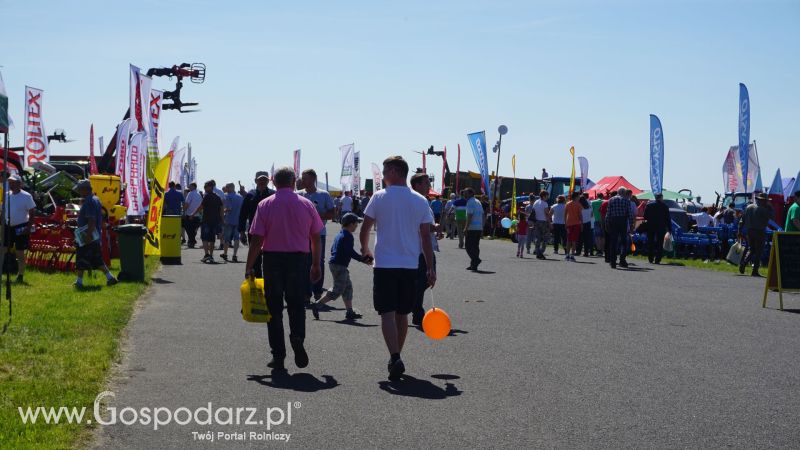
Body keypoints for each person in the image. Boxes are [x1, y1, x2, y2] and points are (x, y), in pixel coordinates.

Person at [359, 156, 435, 381]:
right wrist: (430, 268)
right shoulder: (420, 200)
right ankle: (397, 356)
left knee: (387, 313)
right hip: (410, 264)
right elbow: (426, 237)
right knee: (403, 313)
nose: (382, 176)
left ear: (393, 171)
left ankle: (394, 355)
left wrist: (365, 250)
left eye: (384, 171)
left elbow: (365, 229)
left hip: (385, 264)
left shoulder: (379, 197)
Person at [245, 167, 322, 370]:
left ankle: (278, 355)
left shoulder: (265, 204)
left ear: (273, 181)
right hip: (299, 259)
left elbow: (256, 239)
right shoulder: (307, 204)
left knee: (274, 308)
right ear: (294, 181)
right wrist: (316, 263)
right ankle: (297, 337)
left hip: (272, 259)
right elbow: (315, 237)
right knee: (297, 305)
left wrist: (249, 266)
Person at [311, 213, 370, 321]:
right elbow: (350, 252)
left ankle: (349, 311)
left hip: (336, 264)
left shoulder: (340, 234)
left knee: (347, 288)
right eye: (356, 223)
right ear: (351, 224)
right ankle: (317, 305)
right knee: (337, 290)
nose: (357, 225)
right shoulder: (347, 236)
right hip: (339, 266)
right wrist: (363, 259)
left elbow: (337, 249)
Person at [409, 172, 442, 326]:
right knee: (423, 280)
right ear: (417, 185)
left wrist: (435, 230)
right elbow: (420, 225)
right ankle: (414, 310)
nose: (429, 186)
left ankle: (414, 310)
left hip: (424, 246)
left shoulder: (423, 201)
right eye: (426, 183)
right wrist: (434, 227)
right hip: (419, 248)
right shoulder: (415, 201)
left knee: (423, 281)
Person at [297, 169, 335, 302]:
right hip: (301, 235)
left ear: (313, 179)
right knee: (303, 262)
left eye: (305, 178)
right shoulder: (298, 195)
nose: (302, 180)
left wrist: (316, 216)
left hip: (319, 234)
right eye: (302, 178)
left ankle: (318, 291)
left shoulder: (323, 194)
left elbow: (332, 213)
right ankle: (306, 294)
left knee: (318, 261)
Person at [72, 180, 118, 288]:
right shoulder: (96, 199)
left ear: (85, 190)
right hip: (93, 236)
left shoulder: (89, 201)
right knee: (97, 260)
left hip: (88, 236)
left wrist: (87, 236)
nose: (79, 191)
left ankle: (79, 282)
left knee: (82, 259)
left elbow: (91, 220)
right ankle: (110, 278)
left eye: (80, 189)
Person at [1, 174, 36, 283]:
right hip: (8, 227)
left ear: (19, 184)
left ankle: (20, 275)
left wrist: (29, 227)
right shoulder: (6, 195)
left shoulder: (27, 196)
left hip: (21, 227)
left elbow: (32, 213)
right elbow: (3, 211)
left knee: (20, 252)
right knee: (2, 250)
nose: (11, 185)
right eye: (10, 183)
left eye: (14, 183)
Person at [239, 171, 275, 272]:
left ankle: (269, 283)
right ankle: (257, 282)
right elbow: (243, 214)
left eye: (265, 179)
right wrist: (242, 232)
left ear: (268, 181)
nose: (262, 181)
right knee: (255, 259)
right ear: (255, 181)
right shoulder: (250, 195)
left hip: (271, 232)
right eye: (260, 179)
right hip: (254, 232)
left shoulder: (273, 195)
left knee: (270, 258)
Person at [739, 193, 774, 277]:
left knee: (752, 249)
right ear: (763, 201)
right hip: (759, 232)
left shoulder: (748, 207)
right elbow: (772, 216)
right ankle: (754, 270)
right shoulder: (764, 209)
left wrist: (739, 231)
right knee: (759, 251)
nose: (767, 202)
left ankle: (744, 263)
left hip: (749, 231)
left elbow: (741, 220)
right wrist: (770, 207)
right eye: (766, 201)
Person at [605, 187, 632, 268]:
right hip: (623, 221)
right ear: (624, 193)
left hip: (613, 221)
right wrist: (631, 224)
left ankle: (613, 262)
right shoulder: (626, 201)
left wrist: (607, 223)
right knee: (624, 242)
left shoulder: (611, 200)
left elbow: (608, 213)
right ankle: (622, 260)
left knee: (613, 241)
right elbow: (630, 214)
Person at [198, 180, 224, 263]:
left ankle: (206, 255)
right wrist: (222, 220)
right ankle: (211, 256)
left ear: (210, 187)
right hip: (215, 221)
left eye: (206, 187)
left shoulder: (207, 196)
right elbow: (221, 209)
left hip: (206, 221)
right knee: (212, 239)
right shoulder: (218, 197)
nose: (204, 188)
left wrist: (193, 214)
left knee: (205, 238)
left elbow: (201, 207)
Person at [644, 193, 671, 264]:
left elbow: (645, 216)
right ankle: (658, 259)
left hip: (651, 226)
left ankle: (650, 258)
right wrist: (669, 229)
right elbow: (668, 218)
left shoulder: (649, 205)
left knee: (650, 242)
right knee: (660, 243)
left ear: (655, 198)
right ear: (661, 198)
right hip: (661, 227)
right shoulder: (665, 206)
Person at [221, 183, 244, 262]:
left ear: (230, 188)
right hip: (238, 220)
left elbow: (229, 208)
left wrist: (223, 211)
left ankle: (225, 253)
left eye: (227, 187)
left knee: (227, 239)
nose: (226, 188)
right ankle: (234, 255)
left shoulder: (226, 196)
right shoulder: (240, 197)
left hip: (229, 220)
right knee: (236, 238)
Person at [464, 188, 484, 271]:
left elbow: (469, 215)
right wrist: (482, 226)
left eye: (465, 193)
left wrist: (466, 228)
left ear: (471, 193)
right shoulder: (478, 202)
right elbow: (483, 215)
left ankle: (476, 260)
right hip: (478, 227)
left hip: (472, 228)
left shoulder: (470, 202)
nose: (464, 195)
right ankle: (473, 265)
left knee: (468, 246)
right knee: (475, 246)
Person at [531, 191, 551, 259]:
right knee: (545, 238)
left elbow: (533, 212)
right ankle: (541, 252)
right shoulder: (545, 203)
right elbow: (546, 214)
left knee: (538, 238)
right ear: (544, 196)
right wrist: (550, 223)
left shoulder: (536, 202)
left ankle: (537, 250)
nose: (548, 197)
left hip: (537, 221)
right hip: (543, 222)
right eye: (547, 196)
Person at [564, 192, 583, 261]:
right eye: (578, 196)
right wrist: (582, 223)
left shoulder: (567, 204)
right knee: (574, 240)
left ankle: (567, 255)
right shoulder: (578, 204)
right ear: (576, 197)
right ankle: (572, 255)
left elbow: (565, 214)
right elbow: (580, 215)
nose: (579, 197)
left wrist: (565, 223)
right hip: (576, 224)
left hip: (569, 223)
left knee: (569, 240)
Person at [183, 182, 202, 248]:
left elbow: (187, 204)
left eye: (190, 186)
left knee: (188, 228)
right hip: (197, 214)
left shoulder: (190, 193)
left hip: (190, 214)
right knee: (193, 229)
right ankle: (192, 241)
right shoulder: (199, 194)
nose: (189, 188)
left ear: (193, 186)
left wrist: (184, 211)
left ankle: (192, 241)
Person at [592, 193, 605, 257]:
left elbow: (591, 213)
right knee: (603, 236)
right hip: (604, 221)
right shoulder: (605, 202)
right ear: (603, 196)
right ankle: (602, 250)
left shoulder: (593, 202)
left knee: (597, 237)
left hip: (596, 220)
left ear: (597, 196)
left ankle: (598, 250)